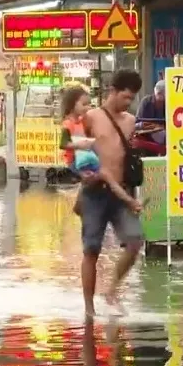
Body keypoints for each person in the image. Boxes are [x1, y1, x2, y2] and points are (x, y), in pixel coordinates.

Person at [79, 69, 144, 317]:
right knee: (91, 250)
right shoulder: (91, 117)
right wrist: (81, 172)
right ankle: (88, 308)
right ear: (112, 91)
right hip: (94, 191)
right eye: (125, 97)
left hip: (121, 193)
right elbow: (72, 148)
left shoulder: (130, 121)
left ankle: (112, 290)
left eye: (132, 99)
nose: (128, 102)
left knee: (135, 241)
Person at [59, 86, 140, 214]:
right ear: (72, 104)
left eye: (89, 104)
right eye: (83, 104)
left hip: (84, 158)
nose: (87, 107)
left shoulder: (81, 121)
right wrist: (81, 145)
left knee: (97, 178)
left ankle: (81, 204)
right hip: (74, 161)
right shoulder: (68, 124)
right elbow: (63, 144)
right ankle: (130, 202)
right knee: (105, 175)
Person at [135, 79, 166, 145]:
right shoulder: (146, 102)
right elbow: (137, 121)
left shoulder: (168, 103)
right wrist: (142, 125)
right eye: (159, 94)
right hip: (146, 135)